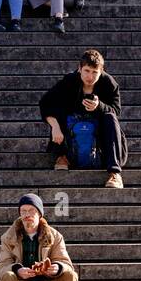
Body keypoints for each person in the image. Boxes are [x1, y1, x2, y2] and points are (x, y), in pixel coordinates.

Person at [39, 49, 127, 188]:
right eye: (86, 71)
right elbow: (45, 103)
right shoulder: (69, 81)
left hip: (98, 132)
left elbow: (116, 111)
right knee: (60, 108)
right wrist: (54, 126)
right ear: (79, 68)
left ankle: (114, 173)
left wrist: (99, 106)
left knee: (110, 117)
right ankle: (62, 156)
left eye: (94, 72)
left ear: (101, 71)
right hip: (71, 128)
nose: (90, 77)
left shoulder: (109, 83)